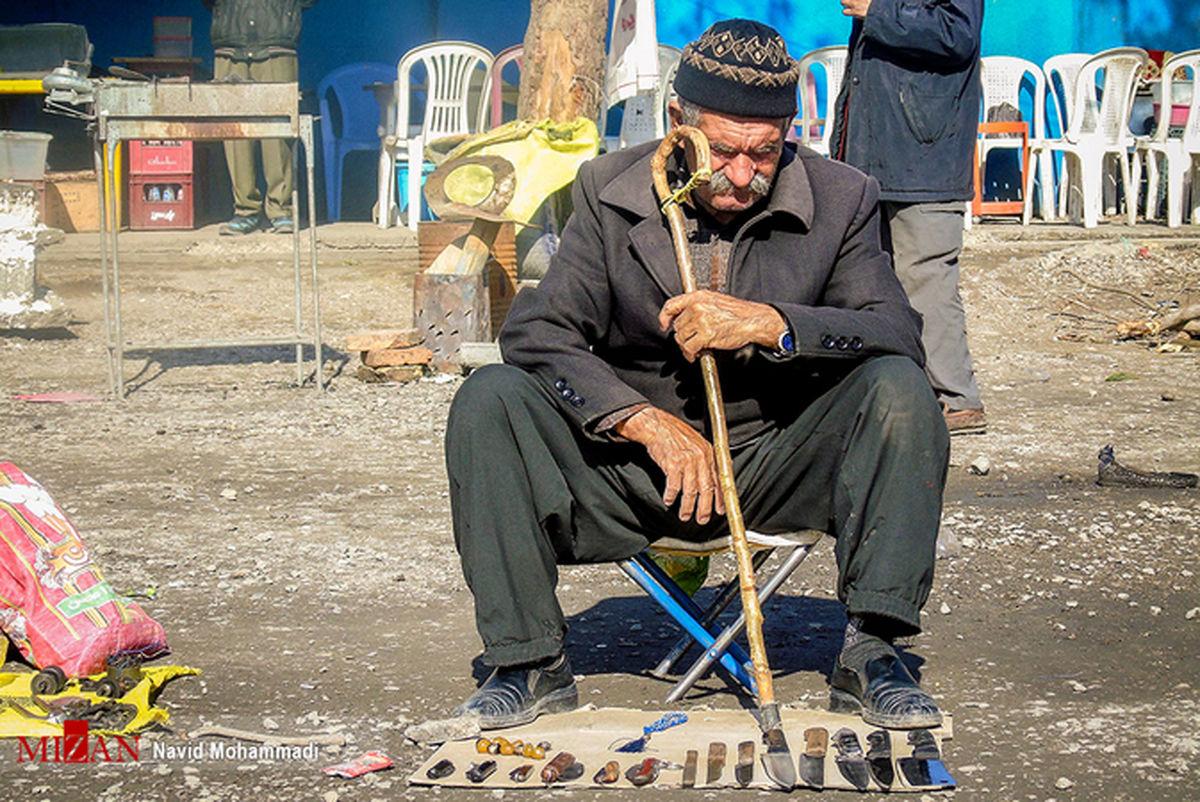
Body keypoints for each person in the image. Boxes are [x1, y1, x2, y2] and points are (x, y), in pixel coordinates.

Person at [443, 19, 949, 732]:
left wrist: (770, 322)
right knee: (488, 399)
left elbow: (897, 331)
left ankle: (875, 653)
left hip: (777, 463)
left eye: (765, 154)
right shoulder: (608, 190)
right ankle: (526, 663)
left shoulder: (843, 197)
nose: (743, 175)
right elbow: (538, 332)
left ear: (789, 132)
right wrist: (639, 421)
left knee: (899, 388)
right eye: (725, 152)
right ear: (679, 124)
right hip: (636, 470)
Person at [829, 0, 987, 434]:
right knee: (869, 279)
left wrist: (876, 11)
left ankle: (957, 399)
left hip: (926, 152)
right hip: (871, 154)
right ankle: (891, 393)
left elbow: (958, 35)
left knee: (926, 275)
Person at [203, 0, 318, 235]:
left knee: (279, 129)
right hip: (230, 44)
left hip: (277, 44)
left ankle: (281, 209)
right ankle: (244, 210)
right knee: (234, 133)